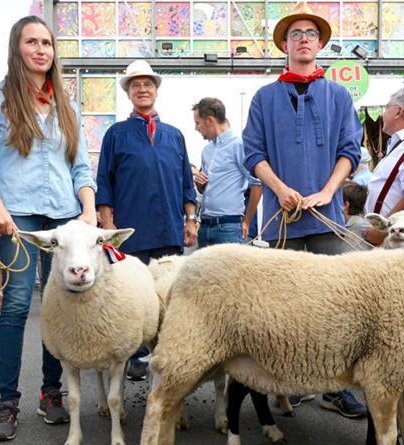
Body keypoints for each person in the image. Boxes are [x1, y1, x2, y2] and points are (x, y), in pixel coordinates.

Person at [241, 1, 366, 419]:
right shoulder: (264, 97)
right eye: (295, 34)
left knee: (338, 303)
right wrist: (281, 189)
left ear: (321, 44)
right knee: (285, 307)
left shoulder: (338, 95)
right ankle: (287, 382)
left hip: (327, 214)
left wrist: (327, 191)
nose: (303, 40)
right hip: (282, 217)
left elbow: (350, 150)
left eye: (310, 34)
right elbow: (254, 153)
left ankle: (336, 385)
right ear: (284, 44)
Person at [0, 15, 97, 441]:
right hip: (16, 218)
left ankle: (52, 393)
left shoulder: (66, 106)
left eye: (47, 43)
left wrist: (87, 210)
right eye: (32, 42)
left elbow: (82, 167)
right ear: (17, 48)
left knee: (60, 307)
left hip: (65, 220)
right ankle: (7, 400)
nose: (40, 50)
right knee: (15, 307)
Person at [96, 59, 197, 381]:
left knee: (170, 294)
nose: (143, 89)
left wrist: (191, 220)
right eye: (136, 84)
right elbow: (105, 182)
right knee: (132, 295)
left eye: (148, 84)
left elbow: (186, 182)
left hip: (169, 227)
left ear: (156, 90)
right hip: (130, 232)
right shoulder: (116, 134)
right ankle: (136, 354)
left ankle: (167, 350)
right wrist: (108, 223)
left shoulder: (174, 135)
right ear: (128, 92)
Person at [191, 97, 260, 247]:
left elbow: (257, 184)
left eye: (197, 123)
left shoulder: (239, 146)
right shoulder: (206, 151)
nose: (196, 128)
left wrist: (247, 222)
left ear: (209, 120)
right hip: (205, 226)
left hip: (229, 227)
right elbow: (203, 190)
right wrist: (200, 185)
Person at [363, 87, 404, 246]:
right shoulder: (401, 142)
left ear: (398, 111)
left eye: (386, 108)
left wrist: (383, 230)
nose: (383, 114)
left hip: (395, 236)